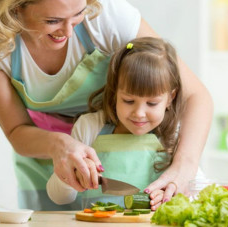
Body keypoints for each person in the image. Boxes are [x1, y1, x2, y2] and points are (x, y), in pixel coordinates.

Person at [0, 0, 213, 210]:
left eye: (78, 14)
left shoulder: (103, 10)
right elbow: (16, 130)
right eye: (52, 20)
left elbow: (195, 95)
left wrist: (184, 167)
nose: (68, 32)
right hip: (45, 157)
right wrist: (60, 146)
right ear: (14, 8)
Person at [47, 37, 206, 210]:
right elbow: (58, 197)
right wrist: (73, 174)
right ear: (115, 93)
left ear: (170, 98)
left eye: (152, 103)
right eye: (128, 101)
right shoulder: (90, 127)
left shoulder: (175, 134)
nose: (139, 113)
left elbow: (201, 191)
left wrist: (174, 194)